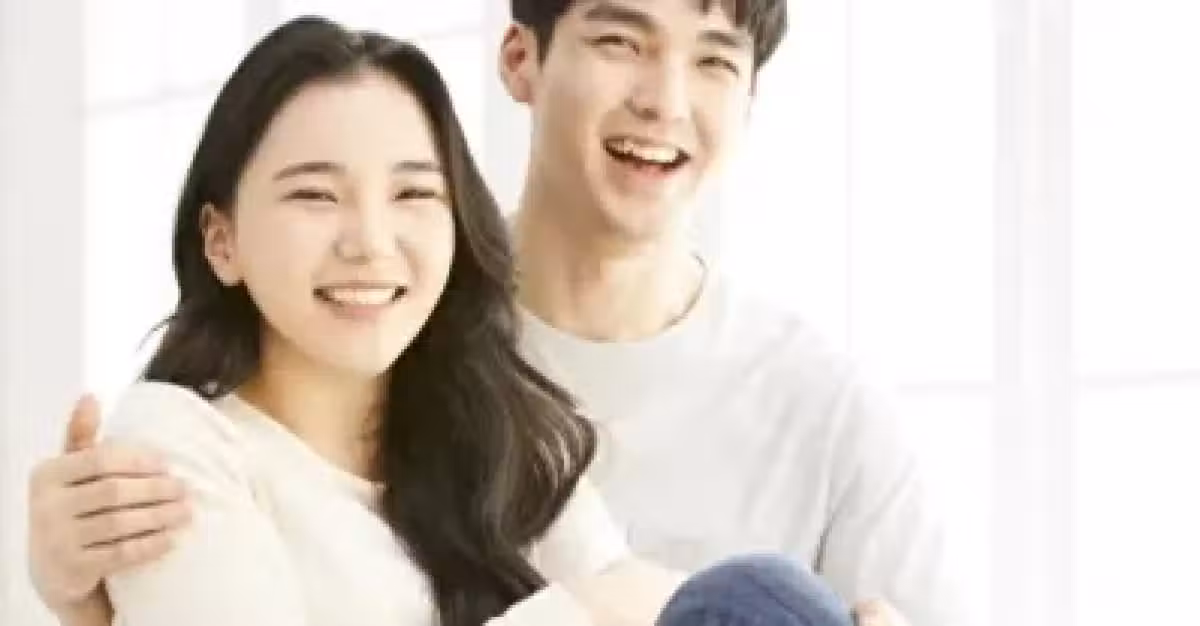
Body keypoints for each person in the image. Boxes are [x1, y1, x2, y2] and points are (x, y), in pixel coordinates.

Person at [29, 1, 967, 624]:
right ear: (521, 60)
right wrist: (75, 593)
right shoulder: (190, 440)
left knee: (758, 596)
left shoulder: (484, 406)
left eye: (412, 194)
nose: (370, 244)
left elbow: (625, 585)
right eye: (620, 40)